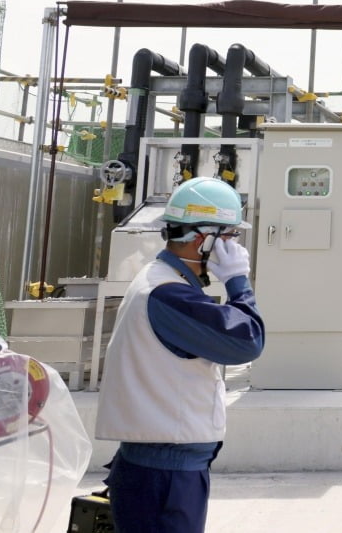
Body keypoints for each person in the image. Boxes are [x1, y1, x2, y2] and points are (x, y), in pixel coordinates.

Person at [96, 177, 265, 532]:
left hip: (161, 464)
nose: (234, 246)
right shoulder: (170, 295)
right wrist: (238, 282)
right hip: (165, 473)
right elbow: (247, 341)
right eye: (230, 237)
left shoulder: (161, 282)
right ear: (204, 240)